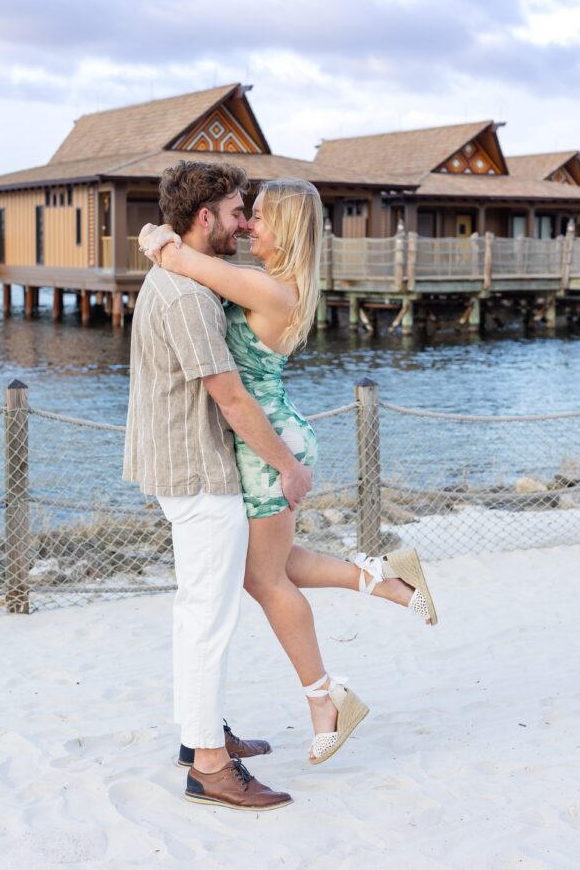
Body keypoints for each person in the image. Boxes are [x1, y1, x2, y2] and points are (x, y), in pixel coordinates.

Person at [139, 172, 438, 766]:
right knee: (273, 567)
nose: (250, 224)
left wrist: (159, 238)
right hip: (271, 438)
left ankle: (324, 698)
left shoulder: (269, 289)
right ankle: (384, 577)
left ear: (290, 230)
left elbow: (182, 261)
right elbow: (182, 259)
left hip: (266, 444)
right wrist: (162, 238)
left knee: (264, 581)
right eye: (245, 214)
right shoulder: (268, 283)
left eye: (262, 217)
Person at [123, 161, 313, 812]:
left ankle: (202, 736)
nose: (243, 224)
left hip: (187, 465)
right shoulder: (186, 295)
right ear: (205, 218)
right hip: (199, 472)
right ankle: (208, 765)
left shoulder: (185, 278)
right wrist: (287, 466)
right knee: (207, 619)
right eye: (238, 212)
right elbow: (230, 398)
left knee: (197, 613)